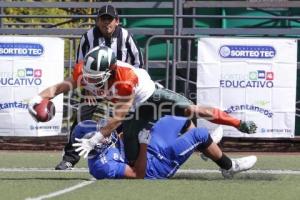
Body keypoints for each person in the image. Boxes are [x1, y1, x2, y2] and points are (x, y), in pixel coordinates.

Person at [28, 46, 257, 168]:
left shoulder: (126, 80)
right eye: (87, 75)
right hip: (132, 109)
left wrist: (94, 139)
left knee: (191, 111)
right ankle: (199, 149)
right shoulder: (84, 71)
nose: (89, 80)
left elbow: (118, 116)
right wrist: (38, 99)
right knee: (132, 155)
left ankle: (236, 126)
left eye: (95, 77)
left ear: (110, 71)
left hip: (150, 97)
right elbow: (61, 87)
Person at [56, 4, 144, 170]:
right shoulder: (88, 37)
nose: (106, 23)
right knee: (81, 117)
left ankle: (125, 156)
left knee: (126, 120)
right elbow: (80, 67)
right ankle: (69, 159)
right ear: (97, 21)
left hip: (121, 86)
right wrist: (87, 89)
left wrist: (131, 90)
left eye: (109, 19)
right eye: (102, 19)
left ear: (116, 21)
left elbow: (138, 64)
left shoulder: (126, 37)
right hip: (94, 86)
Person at [72, 116, 257, 179]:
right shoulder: (102, 166)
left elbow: (122, 125)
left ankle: (206, 149)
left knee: (178, 117)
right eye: (97, 135)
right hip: (155, 166)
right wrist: (143, 143)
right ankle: (229, 166)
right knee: (199, 134)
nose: (102, 134)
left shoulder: (105, 145)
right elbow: (139, 174)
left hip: (145, 150)